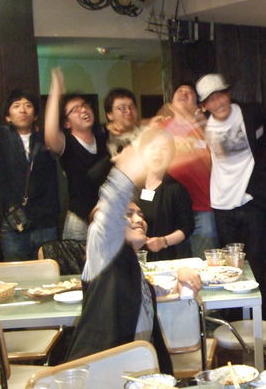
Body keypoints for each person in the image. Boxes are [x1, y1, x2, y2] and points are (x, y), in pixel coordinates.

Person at [66, 130, 202, 372]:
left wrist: (180, 275)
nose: (139, 219)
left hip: (136, 371)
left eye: (140, 213)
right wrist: (130, 163)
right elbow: (110, 207)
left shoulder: (131, 263)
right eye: (128, 214)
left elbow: (149, 293)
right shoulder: (105, 255)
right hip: (102, 373)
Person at [198, 73, 266, 312]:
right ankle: (236, 317)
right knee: (229, 268)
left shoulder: (252, 113)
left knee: (258, 262)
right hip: (222, 202)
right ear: (204, 105)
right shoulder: (202, 125)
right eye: (211, 99)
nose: (218, 102)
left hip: (252, 198)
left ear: (228, 94)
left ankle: (259, 318)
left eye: (221, 95)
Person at [0, 90, 59, 261]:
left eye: (28, 105)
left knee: (49, 273)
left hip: (45, 223)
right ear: (8, 116)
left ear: (35, 115)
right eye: (16, 106)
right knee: (17, 273)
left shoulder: (46, 139)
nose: (23, 110)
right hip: (14, 223)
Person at [44, 68, 109, 241]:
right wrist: (56, 90)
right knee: (77, 258)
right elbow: (50, 134)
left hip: (106, 217)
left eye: (85, 105)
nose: (83, 110)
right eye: (75, 110)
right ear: (66, 122)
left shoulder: (103, 138)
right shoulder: (67, 143)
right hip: (79, 220)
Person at [156, 84, 218, 257]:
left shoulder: (206, 127)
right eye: (180, 91)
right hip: (172, 207)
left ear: (197, 104)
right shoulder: (159, 128)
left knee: (206, 262)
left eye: (190, 92)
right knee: (175, 263)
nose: (184, 93)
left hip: (202, 205)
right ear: (172, 101)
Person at [136, 129, 194, 261]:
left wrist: (164, 241)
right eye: (153, 147)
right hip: (134, 259)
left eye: (164, 149)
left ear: (171, 155)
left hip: (167, 259)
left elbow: (187, 227)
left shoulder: (176, 189)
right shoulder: (131, 186)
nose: (157, 153)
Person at [104, 88, 142, 157]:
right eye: (122, 108)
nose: (129, 111)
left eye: (132, 107)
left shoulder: (147, 133)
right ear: (109, 114)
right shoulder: (103, 139)